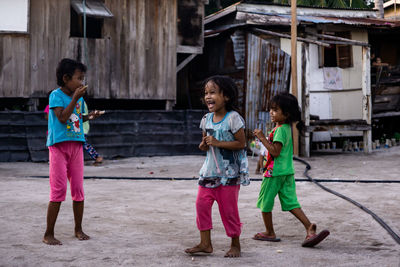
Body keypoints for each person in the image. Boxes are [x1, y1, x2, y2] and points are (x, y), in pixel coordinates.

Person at [252, 92, 329, 247]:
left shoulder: (280, 130)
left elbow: (274, 151)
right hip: (286, 172)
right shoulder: (286, 128)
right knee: (291, 203)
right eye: (271, 109)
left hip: (274, 173)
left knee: (265, 203)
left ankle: (269, 232)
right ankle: (309, 227)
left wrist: (262, 138)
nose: (271, 112)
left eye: (275, 110)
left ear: (286, 114)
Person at [185, 76, 250, 258]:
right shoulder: (206, 119)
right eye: (206, 93)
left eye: (213, 92)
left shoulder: (233, 118)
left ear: (226, 97)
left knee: (228, 211)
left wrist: (218, 142)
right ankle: (205, 243)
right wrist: (204, 145)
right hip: (209, 172)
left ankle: (235, 244)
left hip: (229, 175)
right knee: (201, 206)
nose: (208, 96)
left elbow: (241, 144)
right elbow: (206, 144)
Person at [43, 58, 97, 245]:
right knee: (58, 190)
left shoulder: (79, 98)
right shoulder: (55, 96)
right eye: (79, 78)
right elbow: (62, 118)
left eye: (83, 78)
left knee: (78, 190)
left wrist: (88, 116)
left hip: (76, 146)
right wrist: (75, 98)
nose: (82, 82)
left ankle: (78, 229)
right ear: (66, 78)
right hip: (58, 147)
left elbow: (75, 119)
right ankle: (48, 233)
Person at [82, 100, 104, 166]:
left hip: (82, 127)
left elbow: (82, 115)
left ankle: (97, 157)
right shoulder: (81, 101)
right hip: (82, 126)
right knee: (81, 143)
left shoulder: (80, 101)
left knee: (83, 143)